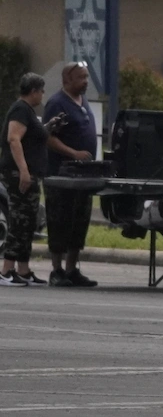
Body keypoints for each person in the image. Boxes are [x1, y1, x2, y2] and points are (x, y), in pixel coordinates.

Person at [43, 62, 98, 288]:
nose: (85, 82)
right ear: (67, 80)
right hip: (61, 176)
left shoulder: (83, 101)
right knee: (59, 220)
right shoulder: (57, 103)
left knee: (79, 221)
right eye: (80, 78)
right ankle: (56, 270)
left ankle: (72, 269)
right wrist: (73, 153)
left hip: (83, 177)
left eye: (86, 77)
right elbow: (48, 137)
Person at [2, 74, 53, 286]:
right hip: (19, 175)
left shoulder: (28, 112)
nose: (42, 95)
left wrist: (49, 126)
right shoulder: (21, 109)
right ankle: (6, 270)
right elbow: (14, 138)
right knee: (20, 220)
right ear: (33, 91)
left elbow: (33, 136)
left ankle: (22, 270)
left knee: (29, 221)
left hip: (31, 175)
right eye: (41, 91)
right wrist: (23, 170)